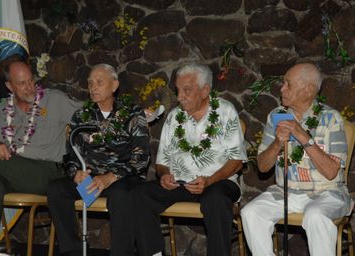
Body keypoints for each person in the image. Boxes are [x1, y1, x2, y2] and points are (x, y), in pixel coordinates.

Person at [132, 63, 247, 256]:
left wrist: (210, 180)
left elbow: (237, 161)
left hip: (219, 182)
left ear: (205, 90)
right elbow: (162, 161)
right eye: (178, 90)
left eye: (187, 90)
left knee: (216, 199)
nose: (179, 97)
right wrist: (165, 175)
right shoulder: (174, 117)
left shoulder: (226, 111)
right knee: (139, 194)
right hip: (180, 183)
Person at [241, 63, 353, 256]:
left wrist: (303, 136)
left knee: (315, 215)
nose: (282, 88)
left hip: (327, 192)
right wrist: (277, 142)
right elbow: (262, 166)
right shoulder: (276, 116)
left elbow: (331, 172)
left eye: (288, 84)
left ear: (308, 89)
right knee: (250, 212)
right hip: (286, 192)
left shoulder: (330, 118)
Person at [0, 60, 81, 252]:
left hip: (47, 172)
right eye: (22, 83)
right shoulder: (0, 110)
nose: (29, 87)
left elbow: (89, 112)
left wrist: (126, 110)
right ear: (9, 86)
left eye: (31, 81)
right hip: (13, 173)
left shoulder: (54, 100)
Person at [46, 64, 150, 256]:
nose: (93, 87)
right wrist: (75, 172)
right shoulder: (81, 116)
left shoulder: (133, 114)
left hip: (123, 178)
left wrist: (111, 177)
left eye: (99, 82)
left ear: (114, 85)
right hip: (92, 179)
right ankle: (73, 252)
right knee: (56, 189)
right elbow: (70, 154)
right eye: (90, 83)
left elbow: (141, 158)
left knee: (121, 195)